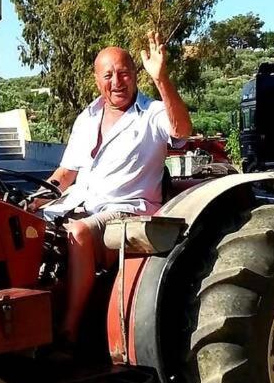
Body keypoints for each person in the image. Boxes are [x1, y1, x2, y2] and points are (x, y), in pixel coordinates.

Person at [40, 31, 192, 342]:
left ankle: (69, 330)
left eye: (124, 72)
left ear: (136, 75)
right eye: (108, 74)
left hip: (127, 208)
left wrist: (162, 79)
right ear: (97, 80)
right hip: (80, 203)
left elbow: (182, 131)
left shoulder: (151, 114)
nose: (117, 81)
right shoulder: (88, 116)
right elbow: (66, 173)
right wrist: (35, 198)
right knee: (21, 225)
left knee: (79, 232)